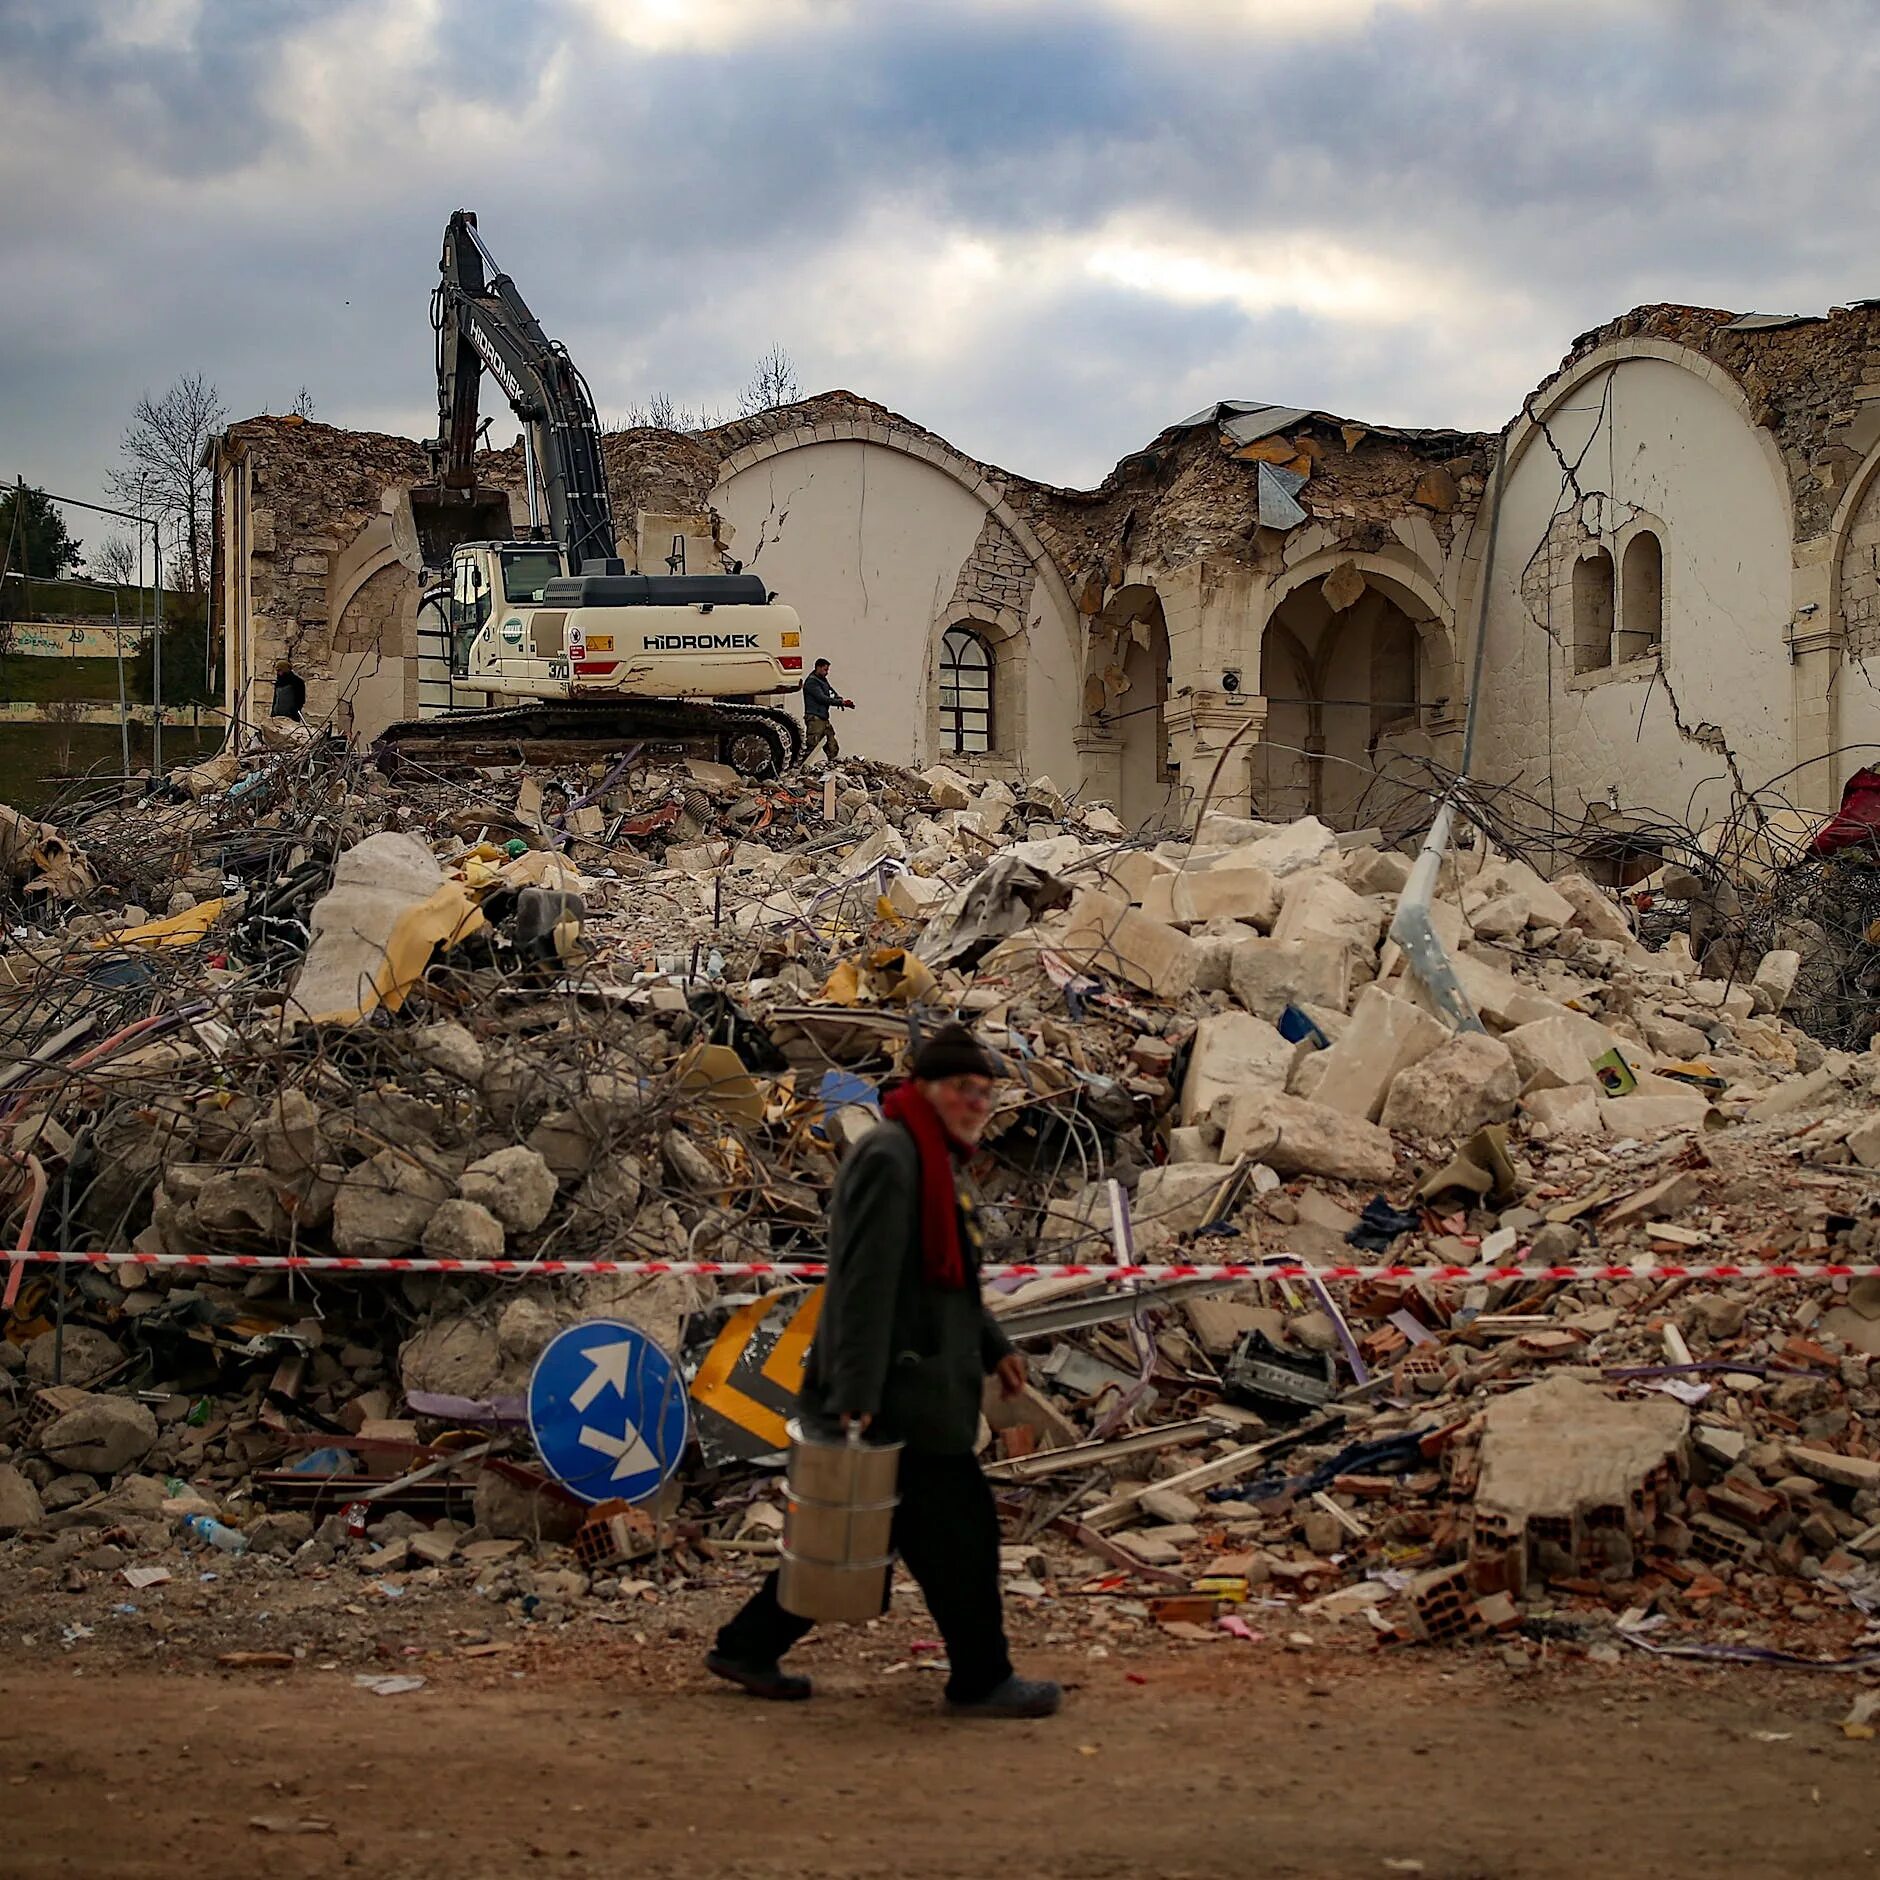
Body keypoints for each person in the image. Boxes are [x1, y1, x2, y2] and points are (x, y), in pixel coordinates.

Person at [708, 1024, 1063, 1720]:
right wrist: (855, 1395)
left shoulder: (932, 1162)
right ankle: (981, 1679)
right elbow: (863, 1285)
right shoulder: (890, 1159)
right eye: (964, 1090)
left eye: (986, 1093)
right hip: (898, 1393)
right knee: (959, 1535)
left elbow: (949, 1279)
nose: (976, 1104)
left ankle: (748, 1645)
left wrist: (996, 1346)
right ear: (925, 1090)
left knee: (867, 1534)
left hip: (919, 1387)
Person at [800, 658, 852, 764]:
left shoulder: (822, 681)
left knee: (832, 745)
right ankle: (800, 767)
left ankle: (832, 764)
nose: (827, 673)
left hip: (823, 718)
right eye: (825, 670)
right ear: (818, 668)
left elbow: (830, 692)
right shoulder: (812, 682)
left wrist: (839, 699)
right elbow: (822, 698)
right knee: (812, 746)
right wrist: (841, 703)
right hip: (815, 718)